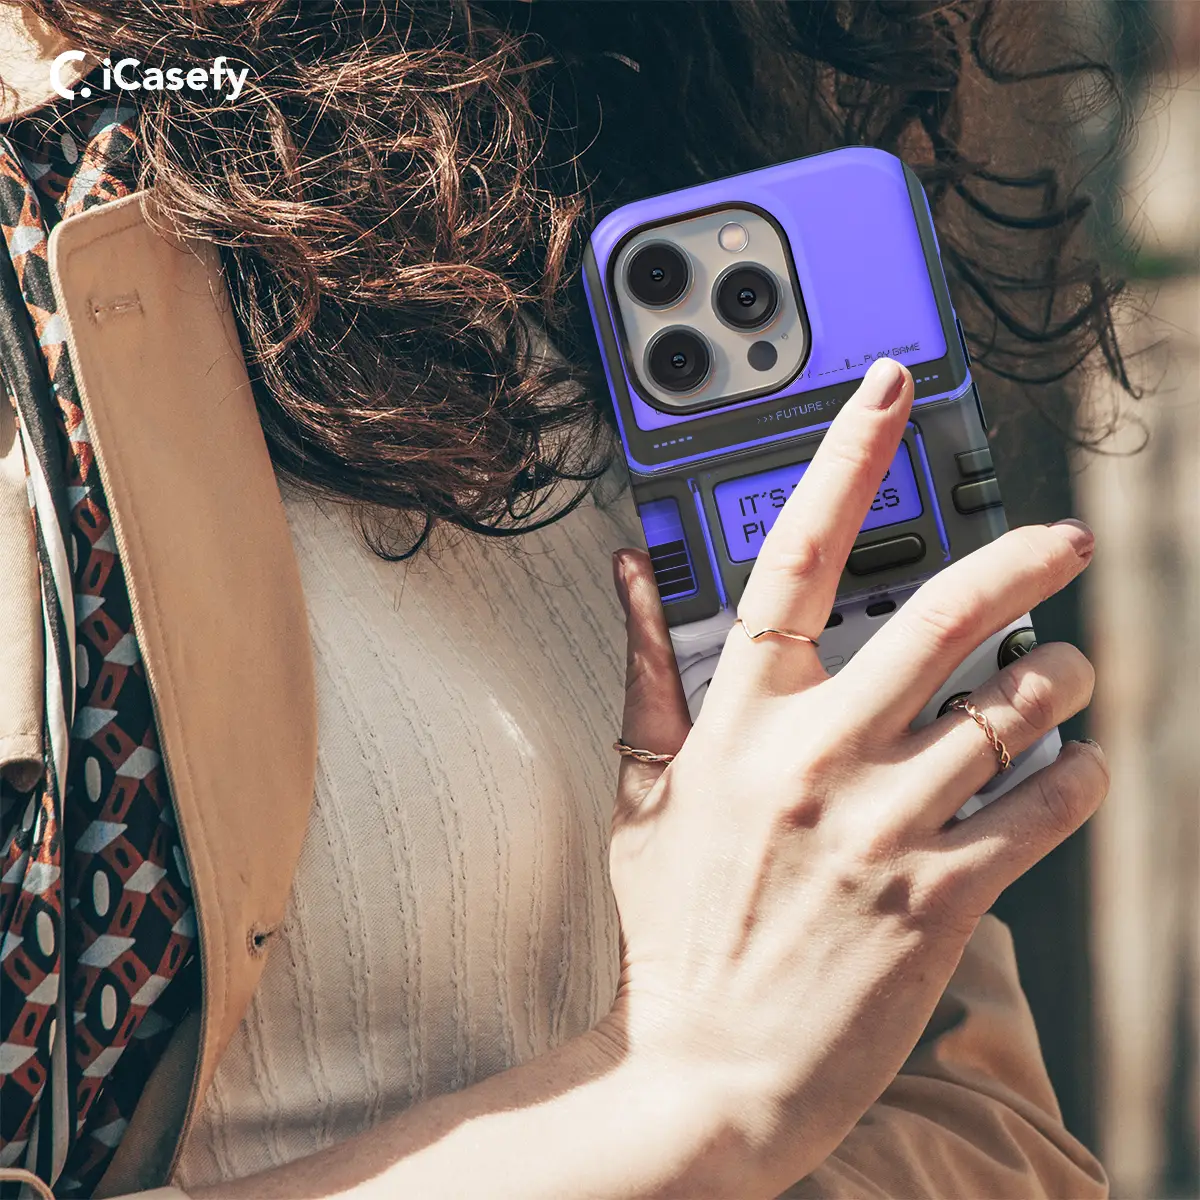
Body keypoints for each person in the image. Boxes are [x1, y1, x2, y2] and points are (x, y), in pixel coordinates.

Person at [0, 3, 1127, 1197]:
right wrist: (686, 1088)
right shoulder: (48, 256)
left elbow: (990, 1138)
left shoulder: (600, 163)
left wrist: (742, 1088)